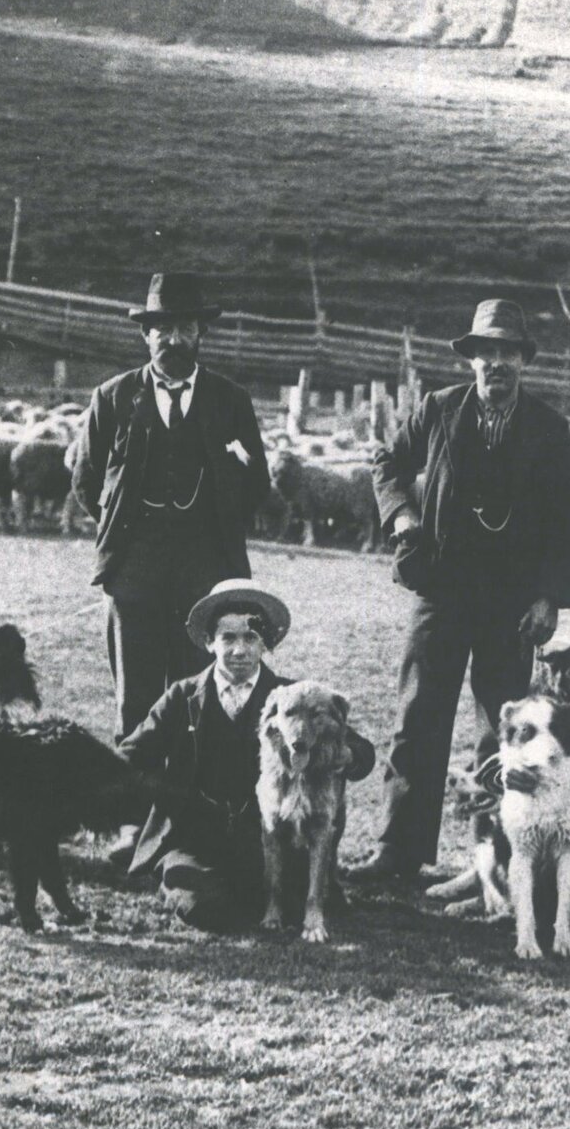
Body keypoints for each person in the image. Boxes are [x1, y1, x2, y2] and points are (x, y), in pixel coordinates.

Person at [348, 299, 570, 885]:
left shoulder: (549, 431)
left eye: (508, 352)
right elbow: (387, 464)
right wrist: (402, 516)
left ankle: (491, 860)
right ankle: (399, 851)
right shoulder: (439, 410)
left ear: (522, 362)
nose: (496, 363)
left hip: (512, 604)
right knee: (418, 716)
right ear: (472, 359)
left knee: (501, 733)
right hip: (442, 589)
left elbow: (565, 520)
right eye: (487, 352)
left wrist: (549, 598)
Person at [72, 273, 272, 744]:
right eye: (163, 328)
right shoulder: (114, 397)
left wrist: (217, 523)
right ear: (146, 334)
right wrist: (122, 531)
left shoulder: (230, 401)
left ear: (201, 334)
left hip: (205, 580)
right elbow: (86, 479)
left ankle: (192, 810)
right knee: (135, 704)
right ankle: (134, 813)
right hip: (134, 576)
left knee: (201, 700)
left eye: (185, 328)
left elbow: (257, 483)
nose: (174, 339)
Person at [118, 580, 375, 932]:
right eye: (228, 638)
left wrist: (347, 756)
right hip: (197, 838)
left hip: (266, 838)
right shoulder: (183, 695)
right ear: (209, 642)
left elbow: (360, 749)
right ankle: (180, 879)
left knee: (286, 896)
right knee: (205, 907)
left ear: (265, 644)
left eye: (251, 638)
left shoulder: (290, 697)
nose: (240, 650)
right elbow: (130, 756)